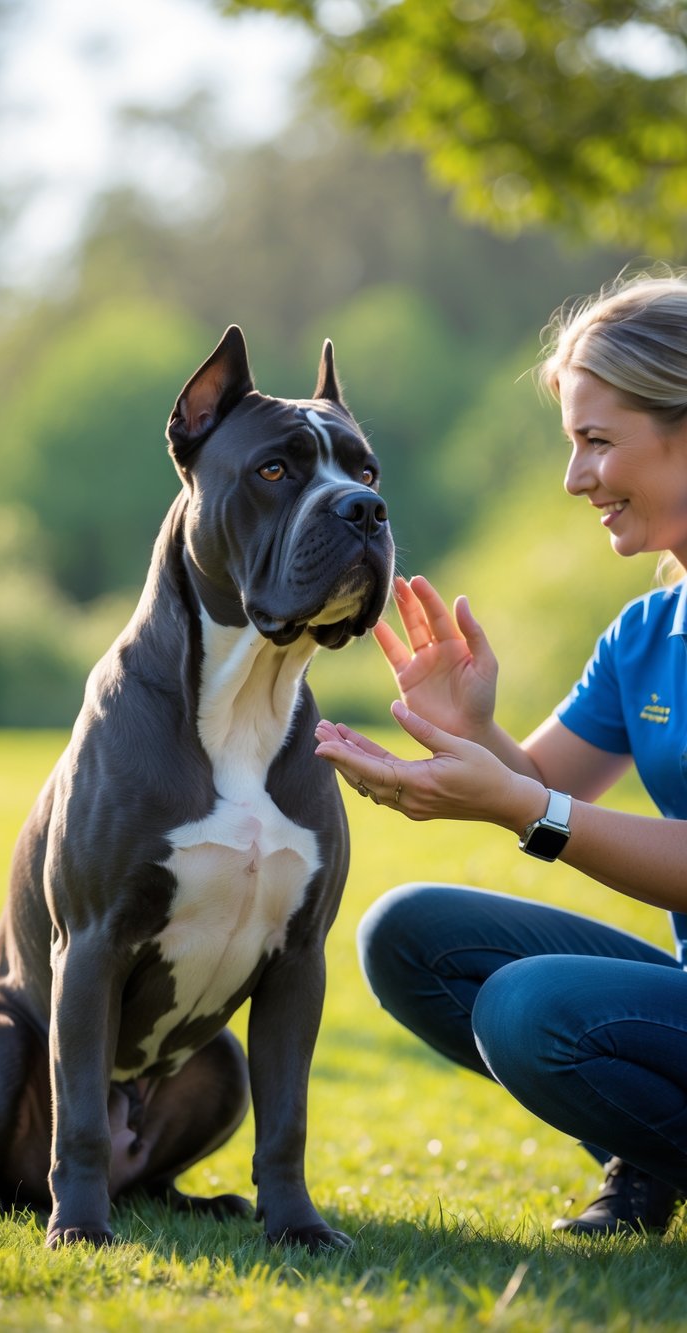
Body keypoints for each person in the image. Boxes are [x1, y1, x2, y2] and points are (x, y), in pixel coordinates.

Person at [314, 271, 687, 1237]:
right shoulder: (648, 631)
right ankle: (647, 1163)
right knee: (408, 935)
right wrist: (469, 727)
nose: (576, 480)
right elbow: (547, 786)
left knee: (533, 1009)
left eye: (598, 443)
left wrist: (527, 813)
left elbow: (543, 811)